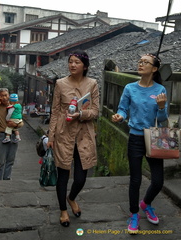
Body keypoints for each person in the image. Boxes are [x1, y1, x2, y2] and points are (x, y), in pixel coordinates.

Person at [112, 53, 168, 234]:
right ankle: (134, 214)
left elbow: (163, 119)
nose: (141, 64)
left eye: (146, 62)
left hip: (154, 138)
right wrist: (120, 116)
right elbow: (123, 108)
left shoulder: (160, 90)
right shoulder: (130, 88)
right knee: (135, 180)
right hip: (136, 138)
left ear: (154, 68)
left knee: (158, 181)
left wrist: (160, 107)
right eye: (140, 61)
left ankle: (146, 203)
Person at [47, 50, 99, 227]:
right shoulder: (60, 84)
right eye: (70, 62)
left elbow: (96, 111)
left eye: (76, 62)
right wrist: (51, 135)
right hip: (63, 134)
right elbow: (54, 111)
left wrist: (81, 113)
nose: (72, 65)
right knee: (63, 174)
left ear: (84, 66)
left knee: (81, 178)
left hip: (84, 134)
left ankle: (71, 198)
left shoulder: (92, 84)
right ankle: (63, 210)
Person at [0, 88, 24, 180]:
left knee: (10, 160)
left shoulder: (14, 106)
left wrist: (16, 124)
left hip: (13, 135)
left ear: (9, 95)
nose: (4, 97)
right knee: (1, 161)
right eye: (1, 95)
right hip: (2, 135)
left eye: (6, 95)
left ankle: (7, 180)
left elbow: (21, 121)